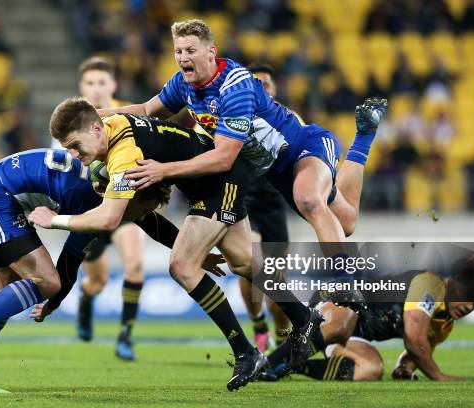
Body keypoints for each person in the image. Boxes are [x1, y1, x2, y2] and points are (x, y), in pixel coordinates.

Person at [94, 19, 387, 371]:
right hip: (276, 171)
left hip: (304, 146)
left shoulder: (235, 87)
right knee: (346, 222)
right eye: (178, 52)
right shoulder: (183, 85)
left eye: (190, 51)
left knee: (309, 198)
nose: (182, 58)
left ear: (210, 52)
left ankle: (345, 283)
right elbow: (143, 110)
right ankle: (364, 138)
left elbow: (223, 157)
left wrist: (163, 170)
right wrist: (94, 116)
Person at [30, 100, 340, 391]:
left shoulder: (123, 154)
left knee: (181, 266)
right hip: (217, 179)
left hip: (217, 181)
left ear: (95, 129)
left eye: (74, 145)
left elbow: (111, 219)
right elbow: (145, 219)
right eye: (67, 148)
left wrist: (55, 219)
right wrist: (197, 249)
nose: (73, 154)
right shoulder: (110, 126)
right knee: (244, 262)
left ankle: (246, 352)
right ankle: (304, 319)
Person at [0, 148, 213, 393]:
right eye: (144, 208)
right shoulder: (90, 202)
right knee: (46, 282)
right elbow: (69, 262)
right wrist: (53, 300)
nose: (142, 217)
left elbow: (150, 223)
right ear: (133, 195)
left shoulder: (107, 184)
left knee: (6, 291)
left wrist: (192, 251)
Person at [56, 56, 146, 361]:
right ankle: (86, 297)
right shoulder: (68, 124)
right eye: (90, 83)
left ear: (113, 85)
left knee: (134, 263)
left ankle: (126, 336)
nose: (96, 89)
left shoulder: (127, 116)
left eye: (101, 83)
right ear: (82, 86)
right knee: (98, 280)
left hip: (122, 206)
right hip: (90, 211)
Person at [262, 263, 474, 381]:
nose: (469, 306)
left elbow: (417, 353)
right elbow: (414, 339)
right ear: (453, 284)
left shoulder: (444, 324)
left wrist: (404, 368)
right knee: (342, 326)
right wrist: (438, 376)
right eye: (468, 294)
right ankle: (266, 364)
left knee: (371, 370)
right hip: (338, 298)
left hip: (356, 334)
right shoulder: (431, 284)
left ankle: (292, 366)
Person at [239, 63, 294, 351]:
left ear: (274, 90)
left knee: (275, 278)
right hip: (244, 201)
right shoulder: (233, 115)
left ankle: (282, 331)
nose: (261, 89)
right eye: (255, 84)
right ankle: (258, 322)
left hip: (274, 205)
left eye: (266, 85)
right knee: (253, 260)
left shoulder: (288, 119)